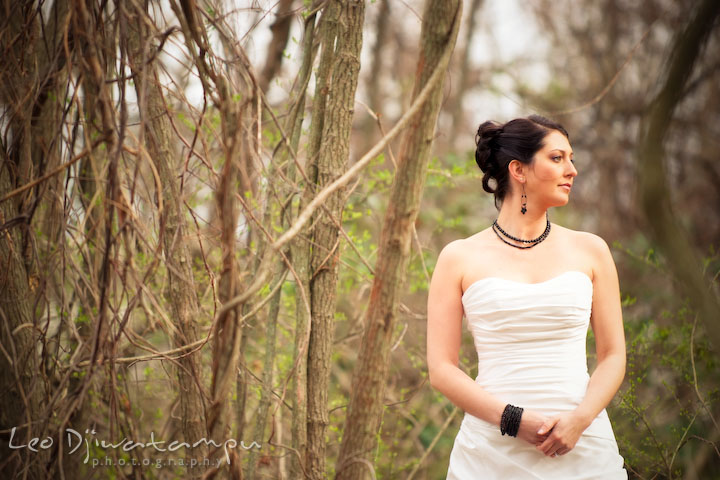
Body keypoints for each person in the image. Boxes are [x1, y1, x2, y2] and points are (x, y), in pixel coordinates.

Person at [426, 115, 628, 479]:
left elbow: (613, 355)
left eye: (571, 158)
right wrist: (512, 419)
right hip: (491, 453)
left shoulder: (592, 250)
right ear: (518, 169)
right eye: (557, 158)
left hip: (584, 446)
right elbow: (441, 369)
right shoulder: (458, 258)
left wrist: (580, 420)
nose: (572, 170)